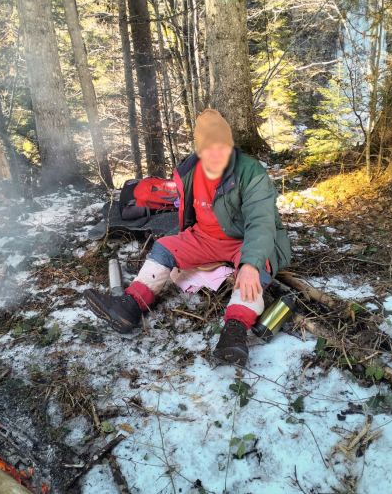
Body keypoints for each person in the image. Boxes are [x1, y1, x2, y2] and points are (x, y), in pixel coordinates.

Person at [84, 109, 291, 366]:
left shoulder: (250, 172)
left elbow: (261, 222)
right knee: (165, 248)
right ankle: (129, 306)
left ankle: (234, 332)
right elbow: (186, 213)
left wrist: (250, 264)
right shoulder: (188, 171)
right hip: (204, 238)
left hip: (245, 240)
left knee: (256, 271)